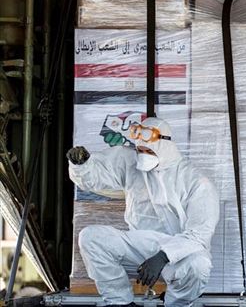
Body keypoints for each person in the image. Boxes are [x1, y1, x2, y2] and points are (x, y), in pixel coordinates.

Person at [67, 117, 219, 307]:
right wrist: (81, 165)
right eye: (140, 149)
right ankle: (120, 302)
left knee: (199, 265)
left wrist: (163, 257)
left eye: (148, 150)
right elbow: (95, 178)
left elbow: (199, 235)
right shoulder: (132, 163)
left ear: (165, 145)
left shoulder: (196, 182)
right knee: (90, 237)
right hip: (139, 243)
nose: (142, 155)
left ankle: (175, 304)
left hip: (179, 250)